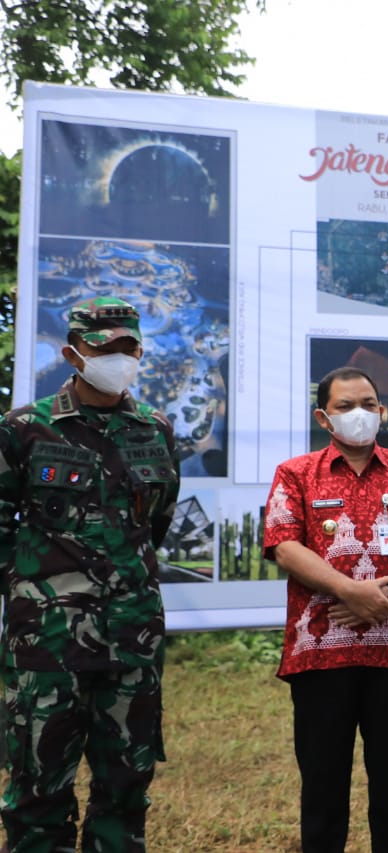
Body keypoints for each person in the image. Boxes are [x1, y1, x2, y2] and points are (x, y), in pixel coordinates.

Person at [0, 296, 180, 850]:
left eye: (129, 348)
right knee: (37, 792)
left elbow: (157, 523)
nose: (119, 358)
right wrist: (36, 588)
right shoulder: (25, 428)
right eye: (106, 349)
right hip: (46, 647)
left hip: (132, 638)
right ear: (73, 354)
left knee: (126, 789)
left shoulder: (156, 430)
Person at [263, 366, 388, 853]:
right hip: (323, 652)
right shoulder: (295, 474)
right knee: (323, 790)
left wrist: (385, 596)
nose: (359, 414)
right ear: (324, 418)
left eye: (368, 404)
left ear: (383, 411)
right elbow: (284, 545)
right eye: (346, 406)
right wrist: (352, 591)